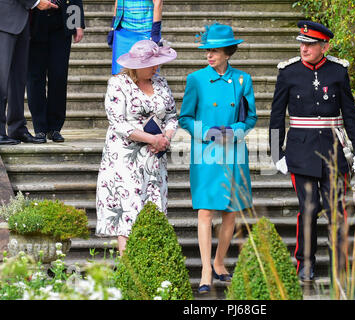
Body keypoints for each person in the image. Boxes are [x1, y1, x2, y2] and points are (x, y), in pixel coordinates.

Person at [269, 20, 355, 282]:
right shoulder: (288, 73)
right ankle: (306, 262)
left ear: (324, 45)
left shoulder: (337, 71)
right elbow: (277, 116)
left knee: (337, 210)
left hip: (334, 150)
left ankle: (340, 264)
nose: (304, 48)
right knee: (309, 209)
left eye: (310, 44)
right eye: (302, 43)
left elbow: (350, 113)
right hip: (300, 151)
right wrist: (276, 153)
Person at [178, 22, 258, 294]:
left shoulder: (242, 80)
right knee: (205, 210)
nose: (209, 55)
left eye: (214, 50)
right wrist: (207, 133)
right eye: (207, 50)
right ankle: (205, 270)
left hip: (234, 151)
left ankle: (220, 262)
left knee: (231, 210)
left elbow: (251, 118)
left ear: (227, 52)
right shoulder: (196, 80)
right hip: (206, 152)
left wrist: (233, 131)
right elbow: (185, 118)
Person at [95, 40, 178, 256]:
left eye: (157, 63)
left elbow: (171, 116)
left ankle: (151, 268)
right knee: (129, 211)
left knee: (154, 209)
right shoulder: (118, 83)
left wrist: (165, 138)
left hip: (154, 158)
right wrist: (152, 139)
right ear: (135, 65)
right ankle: (127, 273)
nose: (155, 68)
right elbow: (118, 123)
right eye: (151, 64)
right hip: (125, 158)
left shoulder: (160, 82)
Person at [0, 0, 58, 145]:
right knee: (1, 79)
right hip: (4, 18)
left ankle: (17, 128)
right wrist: (36, 2)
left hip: (22, 21)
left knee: (18, 80)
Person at [26, 0, 85, 143]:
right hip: (35, 22)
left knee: (59, 76)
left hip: (61, 22)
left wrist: (77, 23)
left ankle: (55, 128)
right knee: (35, 78)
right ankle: (40, 128)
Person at [110, 0, 163, 75]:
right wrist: (113, 25)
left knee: (147, 74)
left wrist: (155, 31)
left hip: (145, 30)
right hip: (122, 30)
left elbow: (158, 2)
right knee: (119, 73)